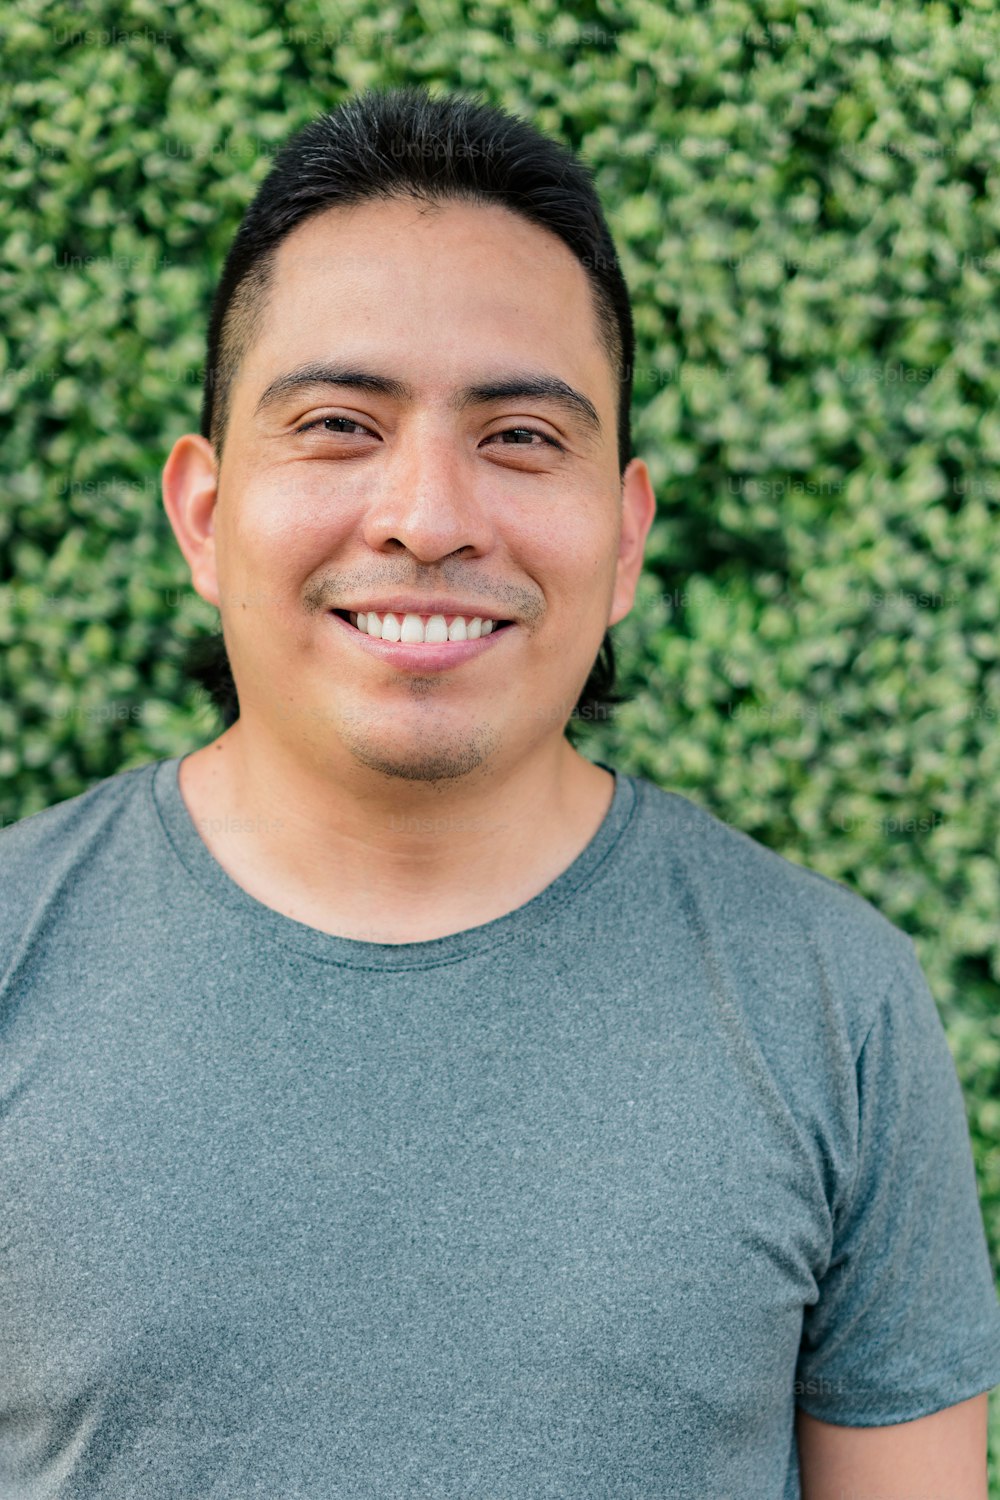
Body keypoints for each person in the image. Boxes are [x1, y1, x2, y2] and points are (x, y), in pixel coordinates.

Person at [1, 84, 998, 1499]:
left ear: (627, 535)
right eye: (341, 423)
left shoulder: (833, 1001)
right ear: (207, 517)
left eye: (521, 437)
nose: (428, 515)